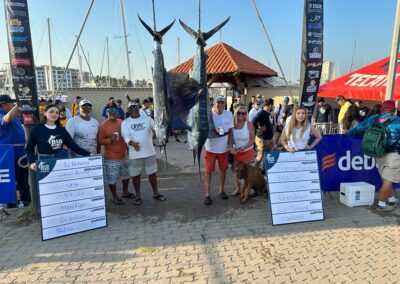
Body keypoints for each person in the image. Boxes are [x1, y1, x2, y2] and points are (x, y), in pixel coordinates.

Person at [347, 100, 400, 210]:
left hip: (377, 153)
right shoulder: (398, 121)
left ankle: (391, 199)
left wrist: (346, 135)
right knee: (388, 180)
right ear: (394, 110)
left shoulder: (374, 118)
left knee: (385, 179)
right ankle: (381, 204)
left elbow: (358, 129)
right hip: (394, 155)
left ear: (382, 109)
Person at [121, 101, 166, 205]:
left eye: (135, 107)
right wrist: (132, 143)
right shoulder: (126, 122)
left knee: (152, 174)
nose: (134, 109)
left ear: (139, 108)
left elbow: (156, 128)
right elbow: (125, 136)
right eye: (131, 108)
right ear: (128, 110)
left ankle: (156, 193)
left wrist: (161, 134)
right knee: (136, 176)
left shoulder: (148, 119)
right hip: (135, 154)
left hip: (149, 152)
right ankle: (138, 195)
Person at [25, 104, 90, 171]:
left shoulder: (62, 130)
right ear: (45, 113)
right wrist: (31, 162)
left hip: (61, 159)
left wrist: (89, 154)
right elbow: (29, 148)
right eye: (51, 112)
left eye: (57, 112)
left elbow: (73, 146)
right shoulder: (37, 129)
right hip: (44, 161)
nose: (54, 114)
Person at [98, 102, 133, 205]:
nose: (113, 113)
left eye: (115, 110)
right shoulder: (103, 126)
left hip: (123, 155)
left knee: (126, 176)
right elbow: (99, 140)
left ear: (118, 112)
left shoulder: (121, 122)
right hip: (111, 157)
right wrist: (109, 140)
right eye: (110, 111)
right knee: (112, 178)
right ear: (106, 112)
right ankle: (114, 196)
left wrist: (129, 150)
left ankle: (125, 192)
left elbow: (127, 136)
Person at [0, 95, 31, 205]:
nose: (13, 105)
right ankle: (12, 206)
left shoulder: (14, 117)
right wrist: (19, 104)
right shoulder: (2, 115)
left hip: (20, 153)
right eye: (11, 104)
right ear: (4, 105)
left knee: (23, 181)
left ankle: (27, 202)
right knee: (11, 183)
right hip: (9, 156)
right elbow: (6, 119)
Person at [203, 95, 234, 206]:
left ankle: (221, 190)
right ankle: (207, 194)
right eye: (218, 103)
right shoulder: (208, 114)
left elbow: (230, 131)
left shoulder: (228, 114)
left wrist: (231, 145)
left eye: (222, 103)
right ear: (214, 103)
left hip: (223, 150)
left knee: (223, 170)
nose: (220, 105)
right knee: (208, 171)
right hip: (210, 148)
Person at [231, 106, 255, 196]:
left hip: (247, 152)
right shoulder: (232, 124)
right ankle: (237, 189)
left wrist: (244, 147)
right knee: (237, 172)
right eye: (239, 113)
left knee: (246, 173)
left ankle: (246, 191)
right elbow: (231, 139)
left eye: (243, 113)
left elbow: (253, 139)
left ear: (246, 114)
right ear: (235, 113)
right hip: (237, 153)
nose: (241, 115)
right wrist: (232, 147)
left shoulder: (249, 124)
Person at [252, 99, 274, 171]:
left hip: (269, 138)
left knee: (268, 155)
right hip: (262, 138)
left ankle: (263, 169)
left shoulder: (268, 113)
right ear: (270, 105)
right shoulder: (261, 113)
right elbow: (253, 121)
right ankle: (254, 171)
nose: (273, 107)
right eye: (273, 105)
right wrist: (258, 129)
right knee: (260, 156)